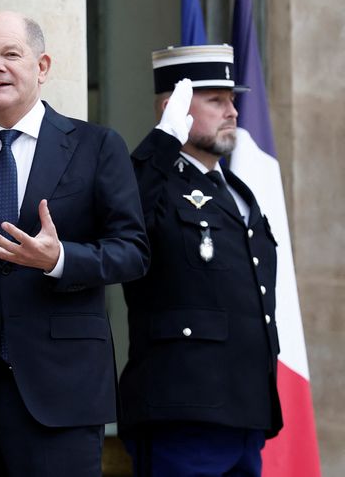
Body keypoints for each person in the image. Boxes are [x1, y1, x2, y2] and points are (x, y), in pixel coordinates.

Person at [0, 11, 149, 476]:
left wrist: (61, 258)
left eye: (11, 54)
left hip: (62, 394)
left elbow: (134, 250)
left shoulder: (96, 146)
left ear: (42, 66)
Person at [119, 44, 282, 477]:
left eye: (232, 100)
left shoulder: (236, 190)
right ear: (173, 107)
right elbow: (120, 215)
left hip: (244, 409)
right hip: (182, 410)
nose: (232, 111)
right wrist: (162, 141)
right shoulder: (154, 180)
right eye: (216, 100)